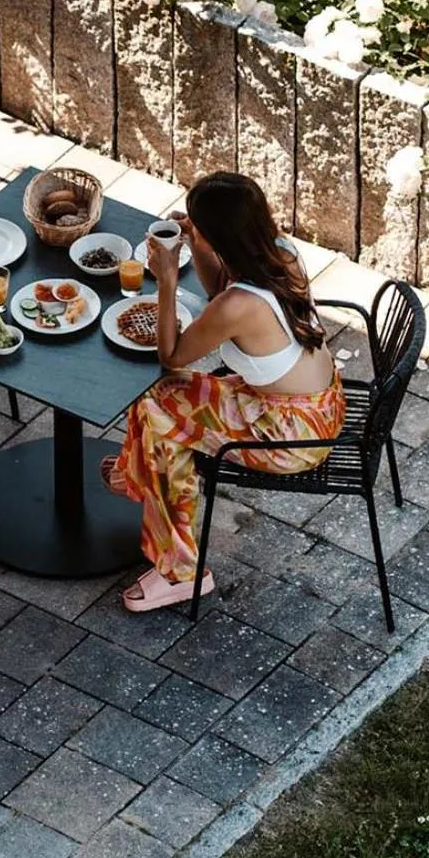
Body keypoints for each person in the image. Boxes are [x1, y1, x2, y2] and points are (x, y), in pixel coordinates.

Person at [102, 172, 345, 612]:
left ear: (222, 237)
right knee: (158, 402)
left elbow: (172, 355)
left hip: (290, 439)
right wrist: (198, 242)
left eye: (198, 223)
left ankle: (180, 572)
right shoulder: (281, 253)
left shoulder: (238, 307)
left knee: (158, 414)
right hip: (316, 406)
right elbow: (222, 289)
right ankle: (136, 472)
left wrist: (169, 279)